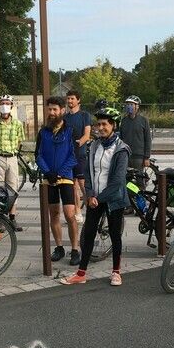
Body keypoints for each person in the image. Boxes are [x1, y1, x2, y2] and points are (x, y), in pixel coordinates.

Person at [61, 107, 130, 286]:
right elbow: (88, 173)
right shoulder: (95, 146)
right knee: (89, 234)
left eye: (105, 124)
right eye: (98, 124)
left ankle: (116, 272)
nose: (100, 127)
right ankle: (81, 273)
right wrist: (90, 194)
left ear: (113, 125)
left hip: (113, 198)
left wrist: (98, 198)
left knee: (115, 235)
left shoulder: (121, 149)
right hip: (95, 197)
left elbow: (117, 181)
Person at [35, 96, 80, 265]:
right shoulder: (43, 132)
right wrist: (47, 172)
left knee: (70, 214)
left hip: (66, 178)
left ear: (62, 110)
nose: (52, 112)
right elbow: (38, 155)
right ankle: (59, 247)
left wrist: (60, 173)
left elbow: (73, 156)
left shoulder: (70, 130)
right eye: (49, 109)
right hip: (49, 179)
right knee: (53, 213)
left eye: (55, 109)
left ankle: (75, 249)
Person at [0, 94, 25, 231]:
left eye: (7, 103)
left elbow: (20, 141)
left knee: (13, 188)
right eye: (2, 103)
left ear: (11, 106)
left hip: (12, 158)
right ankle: (0, 220)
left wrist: (13, 152)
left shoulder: (18, 124)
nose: (5, 106)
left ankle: (12, 218)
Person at [63, 90, 91, 224]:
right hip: (68, 156)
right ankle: (78, 212)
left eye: (72, 99)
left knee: (82, 184)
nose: (69, 101)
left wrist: (80, 141)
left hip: (80, 154)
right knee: (72, 185)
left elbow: (87, 134)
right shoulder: (65, 117)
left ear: (78, 100)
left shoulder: (84, 115)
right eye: (68, 99)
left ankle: (90, 209)